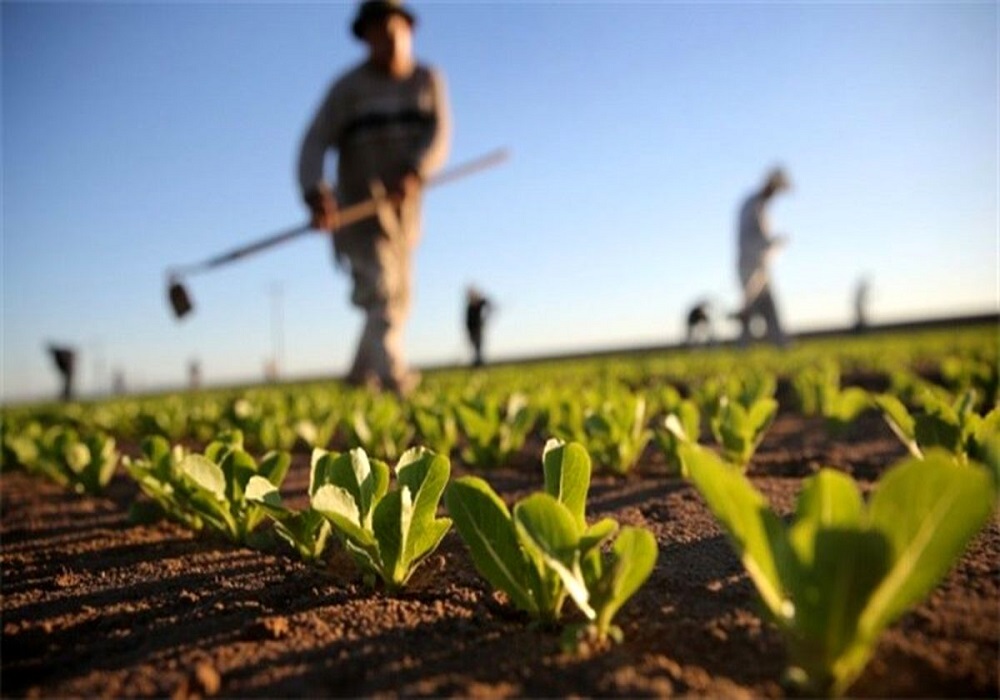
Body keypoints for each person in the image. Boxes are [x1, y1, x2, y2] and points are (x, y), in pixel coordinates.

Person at [298, 0, 451, 396]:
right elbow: (313, 143)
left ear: (408, 29)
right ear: (364, 37)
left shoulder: (427, 81)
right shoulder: (347, 90)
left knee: (398, 299)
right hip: (359, 214)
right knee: (381, 293)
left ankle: (357, 377)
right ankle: (394, 380)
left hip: (404, 217)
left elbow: (439, 135)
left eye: (391, 31)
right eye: (374, 34)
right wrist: (316, 191)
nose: (383, 41)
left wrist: (416, 170)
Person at [735, 167, 791, 347]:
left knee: (769, 308)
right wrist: (774, 242)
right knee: (750, 310)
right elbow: (752, 239)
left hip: (760, 267)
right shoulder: (753, 205)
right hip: (750, 267)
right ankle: (742, 349)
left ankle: (781, 345)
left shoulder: (760, 206)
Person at [465, 286, 493, 367]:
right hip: (472, 330)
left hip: (478, 329)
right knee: (475, 347)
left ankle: (479, 363)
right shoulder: (469, 307)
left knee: (479, 346)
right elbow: (467, 321)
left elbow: (488, 304)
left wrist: (485, 317)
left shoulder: (479, 302)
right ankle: (477, 362)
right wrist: (469, 330)